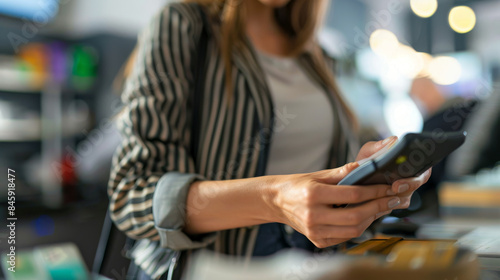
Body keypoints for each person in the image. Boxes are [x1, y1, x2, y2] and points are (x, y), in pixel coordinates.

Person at [108, 0, 431, 279]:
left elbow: (318, 184)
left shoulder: (315, 53)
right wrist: (273, 199)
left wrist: (365, 174)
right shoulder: (184, 26)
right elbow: (131, 194)